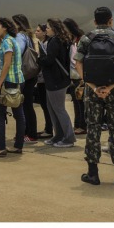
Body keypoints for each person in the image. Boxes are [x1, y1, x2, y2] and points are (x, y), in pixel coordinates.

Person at [75, 7, 114, 186]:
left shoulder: (86, 38)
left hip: (93, 94)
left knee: (93, 129)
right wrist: (109, 88)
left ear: (94, 21)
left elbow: (78, 64)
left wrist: (94, 87)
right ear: (110, 21)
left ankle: (93, 173)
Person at [0, 17, 26, 157]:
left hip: (9, 81)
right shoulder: (11, 40)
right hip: (18, 79)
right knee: (18, 114)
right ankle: (18, 146)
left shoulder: (7, 42)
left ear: (4, 27)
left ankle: (1, 147)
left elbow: (6, 64)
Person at [38, 18, 76, 148]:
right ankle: (59, 135)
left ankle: (68, 138)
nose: (46, 30)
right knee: (52, 109)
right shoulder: (62, 40)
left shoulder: (54, 41)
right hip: (57, 80)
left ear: (54, 29)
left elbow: (49, 60)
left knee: (58, 109)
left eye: (48, 28)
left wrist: (39, 59)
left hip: (56, 80)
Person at [12, 14, 39, 144]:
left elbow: (18, 52)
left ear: (17, 24)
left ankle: (30, 133)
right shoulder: (27, 36)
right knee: (27, 105)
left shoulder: (19, 36)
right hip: (30, 74)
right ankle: (27, 132)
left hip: (24, 75)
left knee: (25, 106)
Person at [63, 18, 87, 135]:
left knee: (81, 103)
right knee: (76, 103)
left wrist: (83, 77)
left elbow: (79, 60)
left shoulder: (80, 40)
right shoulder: (72, 41)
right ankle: (77, 124)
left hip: (80, 77)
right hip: (73, 77)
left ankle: (83, 125)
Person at [34, 23, 53, 138]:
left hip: (45, 79)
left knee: (46, 106)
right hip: (41, 79)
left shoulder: (46, 44)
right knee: (44, 105)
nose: (36, 32)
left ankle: (49, 129)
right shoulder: (40, 43)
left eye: (38, 31)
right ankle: (48, 127)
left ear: (45, 32)